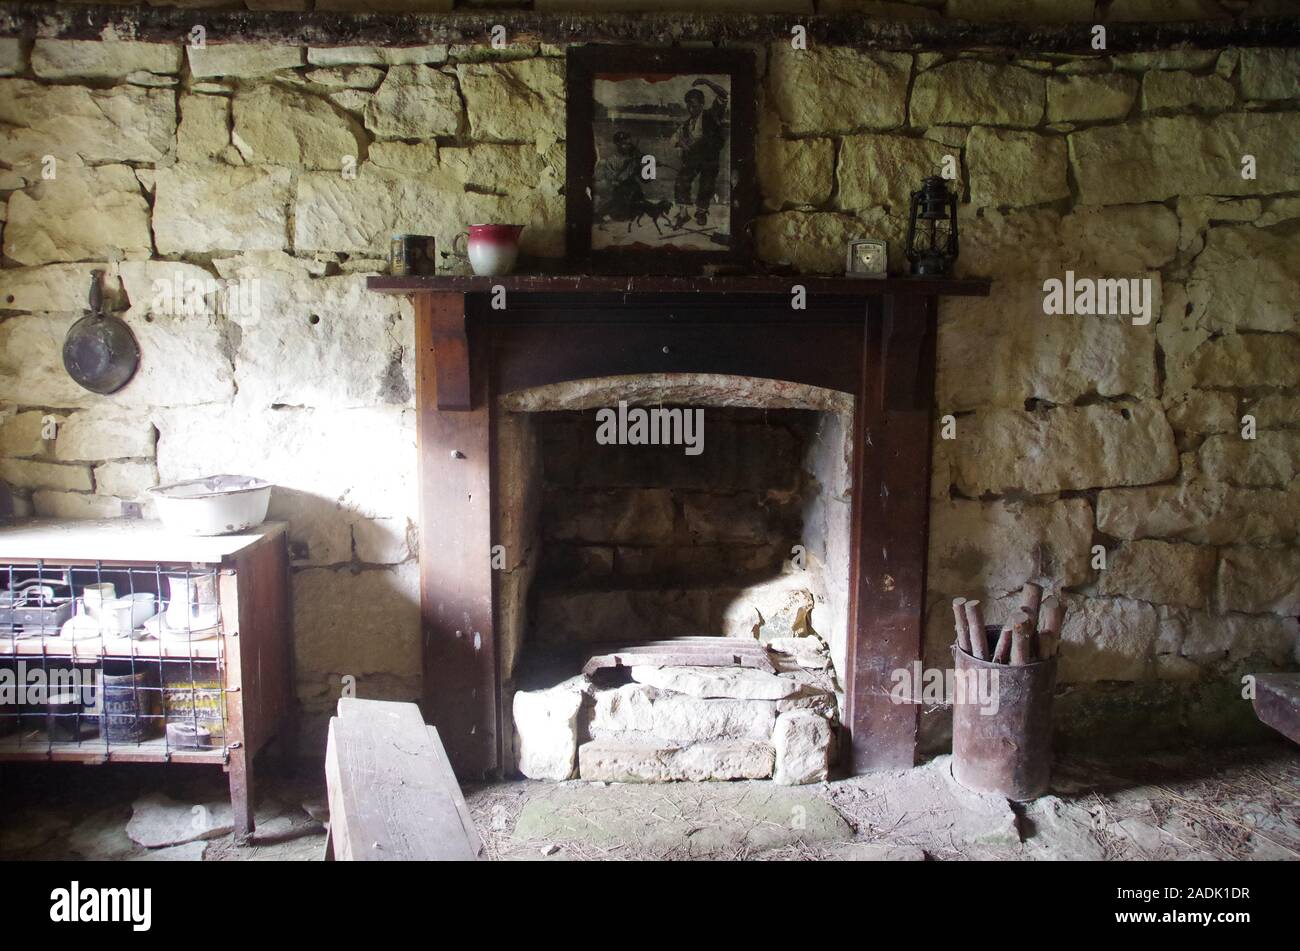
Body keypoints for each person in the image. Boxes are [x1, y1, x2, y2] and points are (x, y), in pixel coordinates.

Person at [672, 77, 728, 229]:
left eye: (694, 105)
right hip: (693, 158)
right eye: (688, 105)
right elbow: (674, 139)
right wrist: (680, 143)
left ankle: (701, 212)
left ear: (702, 104)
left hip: (710, 158)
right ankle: (683, 214)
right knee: (681, 180)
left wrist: (706, 81)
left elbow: (723, 95)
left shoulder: (713, 115)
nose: (691, 109)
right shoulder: (686, 125)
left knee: (707, 185)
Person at [594, 130, 644, 222]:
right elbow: (611, 178)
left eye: (629, 144)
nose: (627, 146)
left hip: (632, 191)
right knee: (611, 206)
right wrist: (625, 170)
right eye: (624, 143)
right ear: (617, 144)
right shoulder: (612, 160)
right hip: (619, 192)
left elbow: (639, 174)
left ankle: (613, 214)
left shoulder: (633, 158)